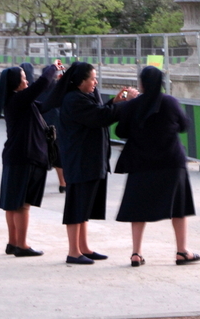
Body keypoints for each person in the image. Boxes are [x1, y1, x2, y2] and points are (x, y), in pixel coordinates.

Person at [42, 62, 137, 265]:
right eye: (92, 79)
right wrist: (127, 103)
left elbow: (100, 111)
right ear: (80, 81)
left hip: (90, 159)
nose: (95, 82)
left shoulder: (82, 97)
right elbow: (101, 116)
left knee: (84, 205)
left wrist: (115, 101)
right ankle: (73, 251)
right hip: (81, 160)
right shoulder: (73, 99)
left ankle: (83, 247)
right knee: (77, 206)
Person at [115, 66, 200, 267]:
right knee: (179, 208)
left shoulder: (132, 105)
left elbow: (120, 131)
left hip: (140, 163)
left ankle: (136, 253)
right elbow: (184, 125)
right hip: (171, 162)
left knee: (137, 208)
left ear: (142, 84)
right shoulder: (169, 102)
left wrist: (128, 104)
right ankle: (181, 251)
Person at [0, 60, 63, 257]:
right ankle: (22, 245)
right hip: (25, 156)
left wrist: (61, 83)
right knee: (23, 205)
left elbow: (48, 102)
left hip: (15, 156)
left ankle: (13, 242)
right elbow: (41, 85)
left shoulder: (18, 101)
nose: (27, 82)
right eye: (24, 79)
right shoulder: (18, 100)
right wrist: (53, 67)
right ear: (16, 83)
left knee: (12, 203)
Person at [36, 64, 67, 194]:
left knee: (40, 156)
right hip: (56, 127)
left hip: (40, 127)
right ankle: (63, 183)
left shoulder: (36, 89)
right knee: (58, 156)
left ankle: (36, 185)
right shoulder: (59, 88)